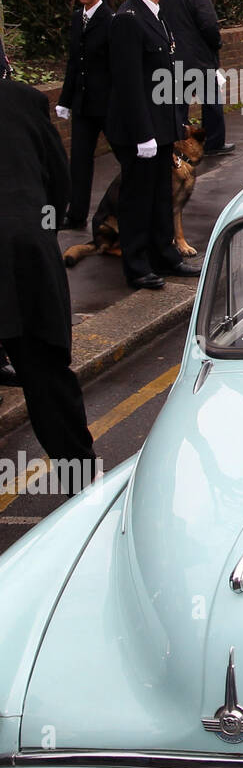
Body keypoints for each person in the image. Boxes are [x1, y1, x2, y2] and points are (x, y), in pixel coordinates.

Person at [0, 77, 97, 487]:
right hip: (26, 253)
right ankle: (81, 488)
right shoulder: (23, 98)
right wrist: (45, 229)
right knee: (46, 376)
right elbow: (60, 179)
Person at [105, 0, 200, 290]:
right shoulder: (129, 19)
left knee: (161, 195)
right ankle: (137, 265)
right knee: (137, 198)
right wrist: (143, 134)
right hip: (138, 130)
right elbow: (128, 83)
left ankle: (165, 255)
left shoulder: (154, 12)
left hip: (159, 125)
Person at [55, 0, 114, 230]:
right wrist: (65, 100)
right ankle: (76, 213)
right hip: (82, 103)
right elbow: (73, 62)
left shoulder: (112, 20)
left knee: (128, 157)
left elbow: (117, 67)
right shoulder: (77, 17)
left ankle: (125, 212)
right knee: (79, 160)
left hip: (108, 104)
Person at [163, 0, 230, 155]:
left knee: (178, 106)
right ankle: (213, 143)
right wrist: (216, 44)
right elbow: (209, 25)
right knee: (211, 103)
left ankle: (178, 144)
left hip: (172, 59)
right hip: (198, 60)